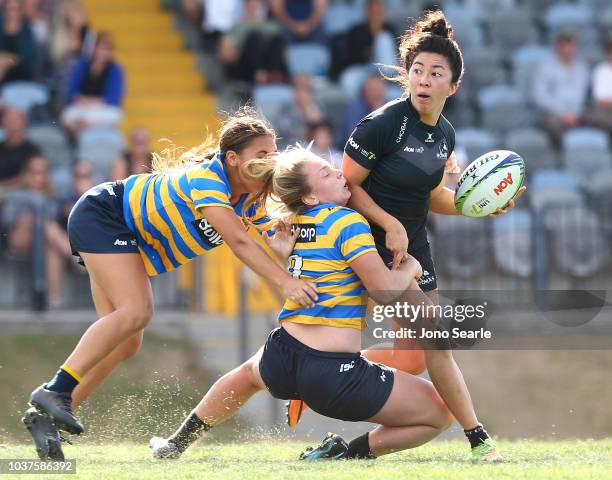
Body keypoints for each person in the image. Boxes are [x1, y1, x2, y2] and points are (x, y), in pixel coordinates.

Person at [288, 10, 525, 461]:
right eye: (417, 70)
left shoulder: (446, 135)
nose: (424, 79)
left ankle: (339, 441)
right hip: (371, 245)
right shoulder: (384, 123)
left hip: (413, 246)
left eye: (436, 73)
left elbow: (433, 195)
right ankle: (479, 439)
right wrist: (389, 224)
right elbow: (346, 187)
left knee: (414, 357)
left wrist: (479, 206)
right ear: (407, 74)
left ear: (453, 86)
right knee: (437, 342)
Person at [22, 110, 319, 461]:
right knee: (137, 311)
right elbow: (239, 242)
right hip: (104, 215)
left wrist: (285, 250)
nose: (270, 161)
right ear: (233, 158)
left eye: (273, 154)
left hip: (122, 234)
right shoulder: (208, 180)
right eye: (261, 154)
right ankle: (55, 390)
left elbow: (272, 235)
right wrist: (285, 282)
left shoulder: (250, 199)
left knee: (127, 342)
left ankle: (46, 417)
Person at [149, 148, 454, 461]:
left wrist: (284, 256)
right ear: (309, 197)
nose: (339, 173)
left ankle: (176, 443)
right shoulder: (348, 221)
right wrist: (411, 268)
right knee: (441, 413)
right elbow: (385, 291)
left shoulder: (296, 222)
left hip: (282, 355)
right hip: (332, 373)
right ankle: (345, 455)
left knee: (245, 376)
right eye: (326, 173)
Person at [1, 155, 73, 307]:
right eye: (34, 172)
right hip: (20, 238)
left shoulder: (52, 197)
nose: (39, 177)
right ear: (26, 174)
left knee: (52, 249)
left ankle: (54, 300)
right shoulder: (16, 194)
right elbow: (7, 221)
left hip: (45, 241)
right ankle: (76, 256)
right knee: (39, 221)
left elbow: (58, 219)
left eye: (42, 172)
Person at [60, 31, 124, 134]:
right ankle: (84, 129)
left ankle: (82, 129)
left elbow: (114, 97)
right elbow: (71, 91)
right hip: (82, 106)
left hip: (101, 108)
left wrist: (93, 102)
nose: (102, 52)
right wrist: (80, 100)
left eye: (106, 48)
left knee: (116, 114)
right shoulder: (83, 65)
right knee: (67, 115)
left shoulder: (115, 69)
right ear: (94, 48)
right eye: (100, 48)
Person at [0, 107, 41, 187]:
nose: (12, 124)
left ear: (24, 122)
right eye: (8, 120)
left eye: (15, 120)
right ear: (2, 124)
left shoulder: (32, 150)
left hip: (26, 192)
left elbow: (36, 176)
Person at [0, 0, 35, 85]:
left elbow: (24, 57)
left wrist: (7, 60)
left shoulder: (27, 31)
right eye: (10, 9)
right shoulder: (1, 28)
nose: (13, 13)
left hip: (19, 73)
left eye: (16, 9)